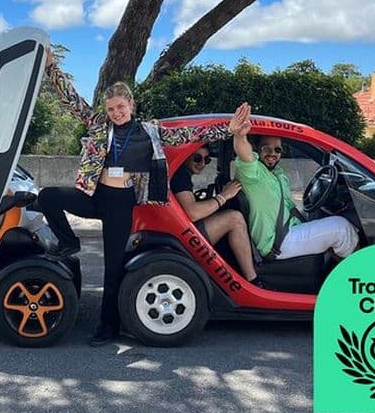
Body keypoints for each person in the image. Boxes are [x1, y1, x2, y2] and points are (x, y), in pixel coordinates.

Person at [38, 51, 250, 346]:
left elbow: (189, 134)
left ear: (131, 105)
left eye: (120, 107)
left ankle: (107, 327)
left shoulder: (149, 131)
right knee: (48, 196)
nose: (116, 113)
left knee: (113, 269)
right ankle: (69, 241)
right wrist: (51, 67)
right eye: (111, 108)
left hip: (121, 203)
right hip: (95, 195)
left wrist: (227, 129)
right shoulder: (99, 124)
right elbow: (71, 101)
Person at [231, 104, 358, 261]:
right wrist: (239, 136)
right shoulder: (253, 173)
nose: (273, 154)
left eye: (277, 150)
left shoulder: (277, 174)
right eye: (266, 149)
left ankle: (333, 264)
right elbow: (244, 153)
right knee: (342, 228)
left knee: (318, 215)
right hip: (277, 242)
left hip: (289, 228)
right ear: (256, 150)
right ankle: (357, 274)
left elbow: (290, 207)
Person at [170, 145, 263, 287]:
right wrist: (224, 195)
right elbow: (193, 213)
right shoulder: (180, 175)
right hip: (183, 235)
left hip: (181, 229)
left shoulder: (183, 175)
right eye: (197, 158)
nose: (201, 164)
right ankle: (253, 281)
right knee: (235, 218)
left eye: (206, 160)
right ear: (186, 156)